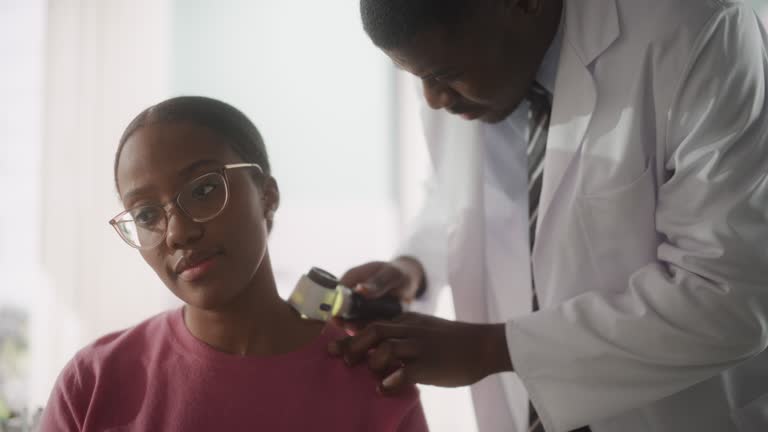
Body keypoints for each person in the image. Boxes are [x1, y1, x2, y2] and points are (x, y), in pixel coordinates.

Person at [329, 0, 768, 431]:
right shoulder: (457, 56)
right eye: (417, 77)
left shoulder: (701, 34)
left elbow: (729, 298)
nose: (432, 99)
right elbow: (455, 196)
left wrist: (493, 349)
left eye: (444, 75)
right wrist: (414, 268)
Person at [39, 96, 428, 432]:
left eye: (204, 190)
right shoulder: (93, 383)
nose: (177, 233)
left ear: (267, 196)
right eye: (145, 215)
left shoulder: (374, 383)